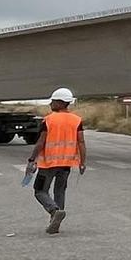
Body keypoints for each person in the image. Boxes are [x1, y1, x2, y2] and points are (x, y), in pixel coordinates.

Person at [28, 87, 87, 234]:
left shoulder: (49, 120)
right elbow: (81, 142)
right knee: (59, 191)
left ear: (60, 103)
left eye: (53, 101)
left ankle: (54, 212)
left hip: (48, 163)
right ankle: (56, 221)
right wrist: (83, 162)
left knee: (40, 191)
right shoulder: (76, 120)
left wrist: (31, 159)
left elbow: (40, 142)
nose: (50, 104)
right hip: (66, 164)